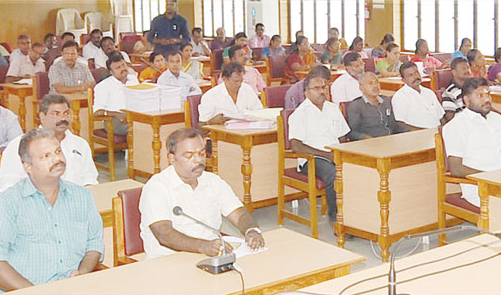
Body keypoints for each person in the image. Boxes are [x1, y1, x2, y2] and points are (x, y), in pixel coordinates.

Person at [0, 128, 103, 293]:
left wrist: (83, 273)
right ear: (28, 166)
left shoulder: (82, 196)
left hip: (74, 291)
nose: (57, 159)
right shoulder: (6, 205)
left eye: (58, 151)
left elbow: (94, 243)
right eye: (46, 156)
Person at [139, 128, 265, 259]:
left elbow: (239, 214)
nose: (198, 160)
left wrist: (251, 230)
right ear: (172, 158)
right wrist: (202, 246)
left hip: (210, 257)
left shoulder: (213, 181)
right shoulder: (157, 187)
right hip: (167, 261)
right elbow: (164, 233)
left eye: (202, 153)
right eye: (189, 155)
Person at [442, 77, 501, 207]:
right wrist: (488, 178)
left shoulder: (497, 119)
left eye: (488, 95)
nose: (486, 99)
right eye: (480, 96)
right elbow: (456, 168)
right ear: (466, 100)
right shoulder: (456, 126)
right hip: (480, 187)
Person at [0, 94, 98, 192]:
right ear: (42, 116)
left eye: (66, 113)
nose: (63, 118)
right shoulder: (20, 145)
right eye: (56, 114)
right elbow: (8, 184)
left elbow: (90, 177)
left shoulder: (80, 144)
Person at [289, 70, 351, 227]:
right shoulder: (300, 114)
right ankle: (336, 219)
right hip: (312, 158)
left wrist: (342, 153)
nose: (322, 91)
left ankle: (355, 217)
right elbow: (296, 146)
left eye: (324, 87)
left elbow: (343, 136)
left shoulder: (333, 109)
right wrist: (327, 155)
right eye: (316, 88)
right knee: (334, 175)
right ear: (306, 92)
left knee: (359, 171)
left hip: (334, 154)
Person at [346, 72, 407, 140]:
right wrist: (367, 138)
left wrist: (411, 130)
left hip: (390, 140)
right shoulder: (356, 106)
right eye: (370, 83)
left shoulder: (386, 101)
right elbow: (352, 132)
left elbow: (394, 125)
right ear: (361, 88)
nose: (375, 86)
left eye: (377, 82)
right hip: (369, 144)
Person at [198, 62, 263, 124]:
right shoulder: (210, 96)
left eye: (241, 81)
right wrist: (211, 122)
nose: (239, 84)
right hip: (222, 133)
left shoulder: (247, 89)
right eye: (236, 81)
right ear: (225, 79)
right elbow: (200, 127)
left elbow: (259, 112)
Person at [92, 53, 139, 136]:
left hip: (134, 117)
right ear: (111, 72)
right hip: (115, 121)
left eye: (123, 65)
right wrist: (116, 114)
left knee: (147, 125)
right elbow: (97, 112)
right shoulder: (103, 86)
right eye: (118, 68)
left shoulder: (133, 79)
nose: (123, 69)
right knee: (139, 128)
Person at [392, 61, 446, 130]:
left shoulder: (429, 92)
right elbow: (400, 124)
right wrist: (423, 132)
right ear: (403, 80)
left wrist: (445, 130)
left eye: (416, 73)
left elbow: (441, 117)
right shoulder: (400, 97)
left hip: (437, 133)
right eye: (410, 75)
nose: (415, 77)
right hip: (417, 136)